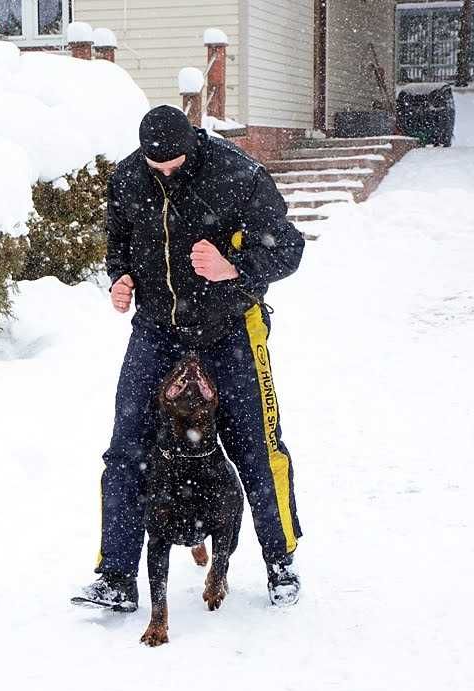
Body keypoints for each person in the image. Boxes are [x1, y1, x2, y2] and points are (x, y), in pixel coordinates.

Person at [76, 105, 306, 612]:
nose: (165, 175)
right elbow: (119, 244)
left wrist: (234, 266)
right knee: (126, 450)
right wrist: (121, 277)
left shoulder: (239, 174)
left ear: (192, 146)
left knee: (256, 447)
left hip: (230, 328)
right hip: (157, 329)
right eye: (156, 168)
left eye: (174, 166)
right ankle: (116, 576)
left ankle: (280, 562)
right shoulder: (128, 177)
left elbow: (289, 248)